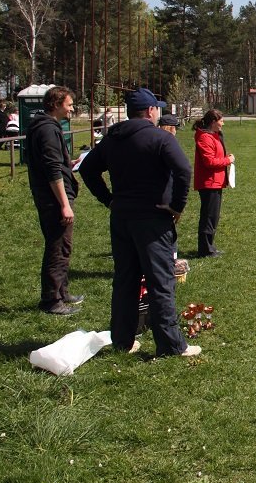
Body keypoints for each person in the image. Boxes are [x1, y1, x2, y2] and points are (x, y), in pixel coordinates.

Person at [79, 87, 199, 357]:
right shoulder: (159, 138)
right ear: (150, 111)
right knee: (160, 281)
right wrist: (177, 206)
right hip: (153, 220)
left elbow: (87, 168)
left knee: (125, 280)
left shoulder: (113, 138)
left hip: (121, 217)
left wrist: (108, 199)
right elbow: (183, 170)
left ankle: (123, 339)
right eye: (157, 107)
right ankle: (171, 344)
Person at [24, 85, 81, 315]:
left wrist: (71, 164)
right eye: (68, 105)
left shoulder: (45, 127)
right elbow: (51, 169)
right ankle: (51, 300)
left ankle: (62, 291)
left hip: (54, 196)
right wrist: (64, 204)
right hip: (53, 199)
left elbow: (56, 163)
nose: (71, 109)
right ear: (56, 104)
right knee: (57, 246)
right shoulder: (47, 130)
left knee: (64, 245)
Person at [193, 109, 235, 258]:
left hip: (216, 182)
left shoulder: (214, 136)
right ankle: (205, 250)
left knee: (213, 217)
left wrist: (225, 157)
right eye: (221, 120)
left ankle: (209, 247)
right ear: (213, 122)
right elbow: (209, 161)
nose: (223, 123)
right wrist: (227, 160)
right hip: (208, 183)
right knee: (208, 217)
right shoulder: (205, 138)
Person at [159, 113, 190, 279]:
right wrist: (177, 204)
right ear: (171, 128)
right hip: (166, 198)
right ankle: (171, 266)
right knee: (168, 235)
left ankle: (170, 264)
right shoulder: (167, 143)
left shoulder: (157, 141)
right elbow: (183, 171)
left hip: (163, 196)